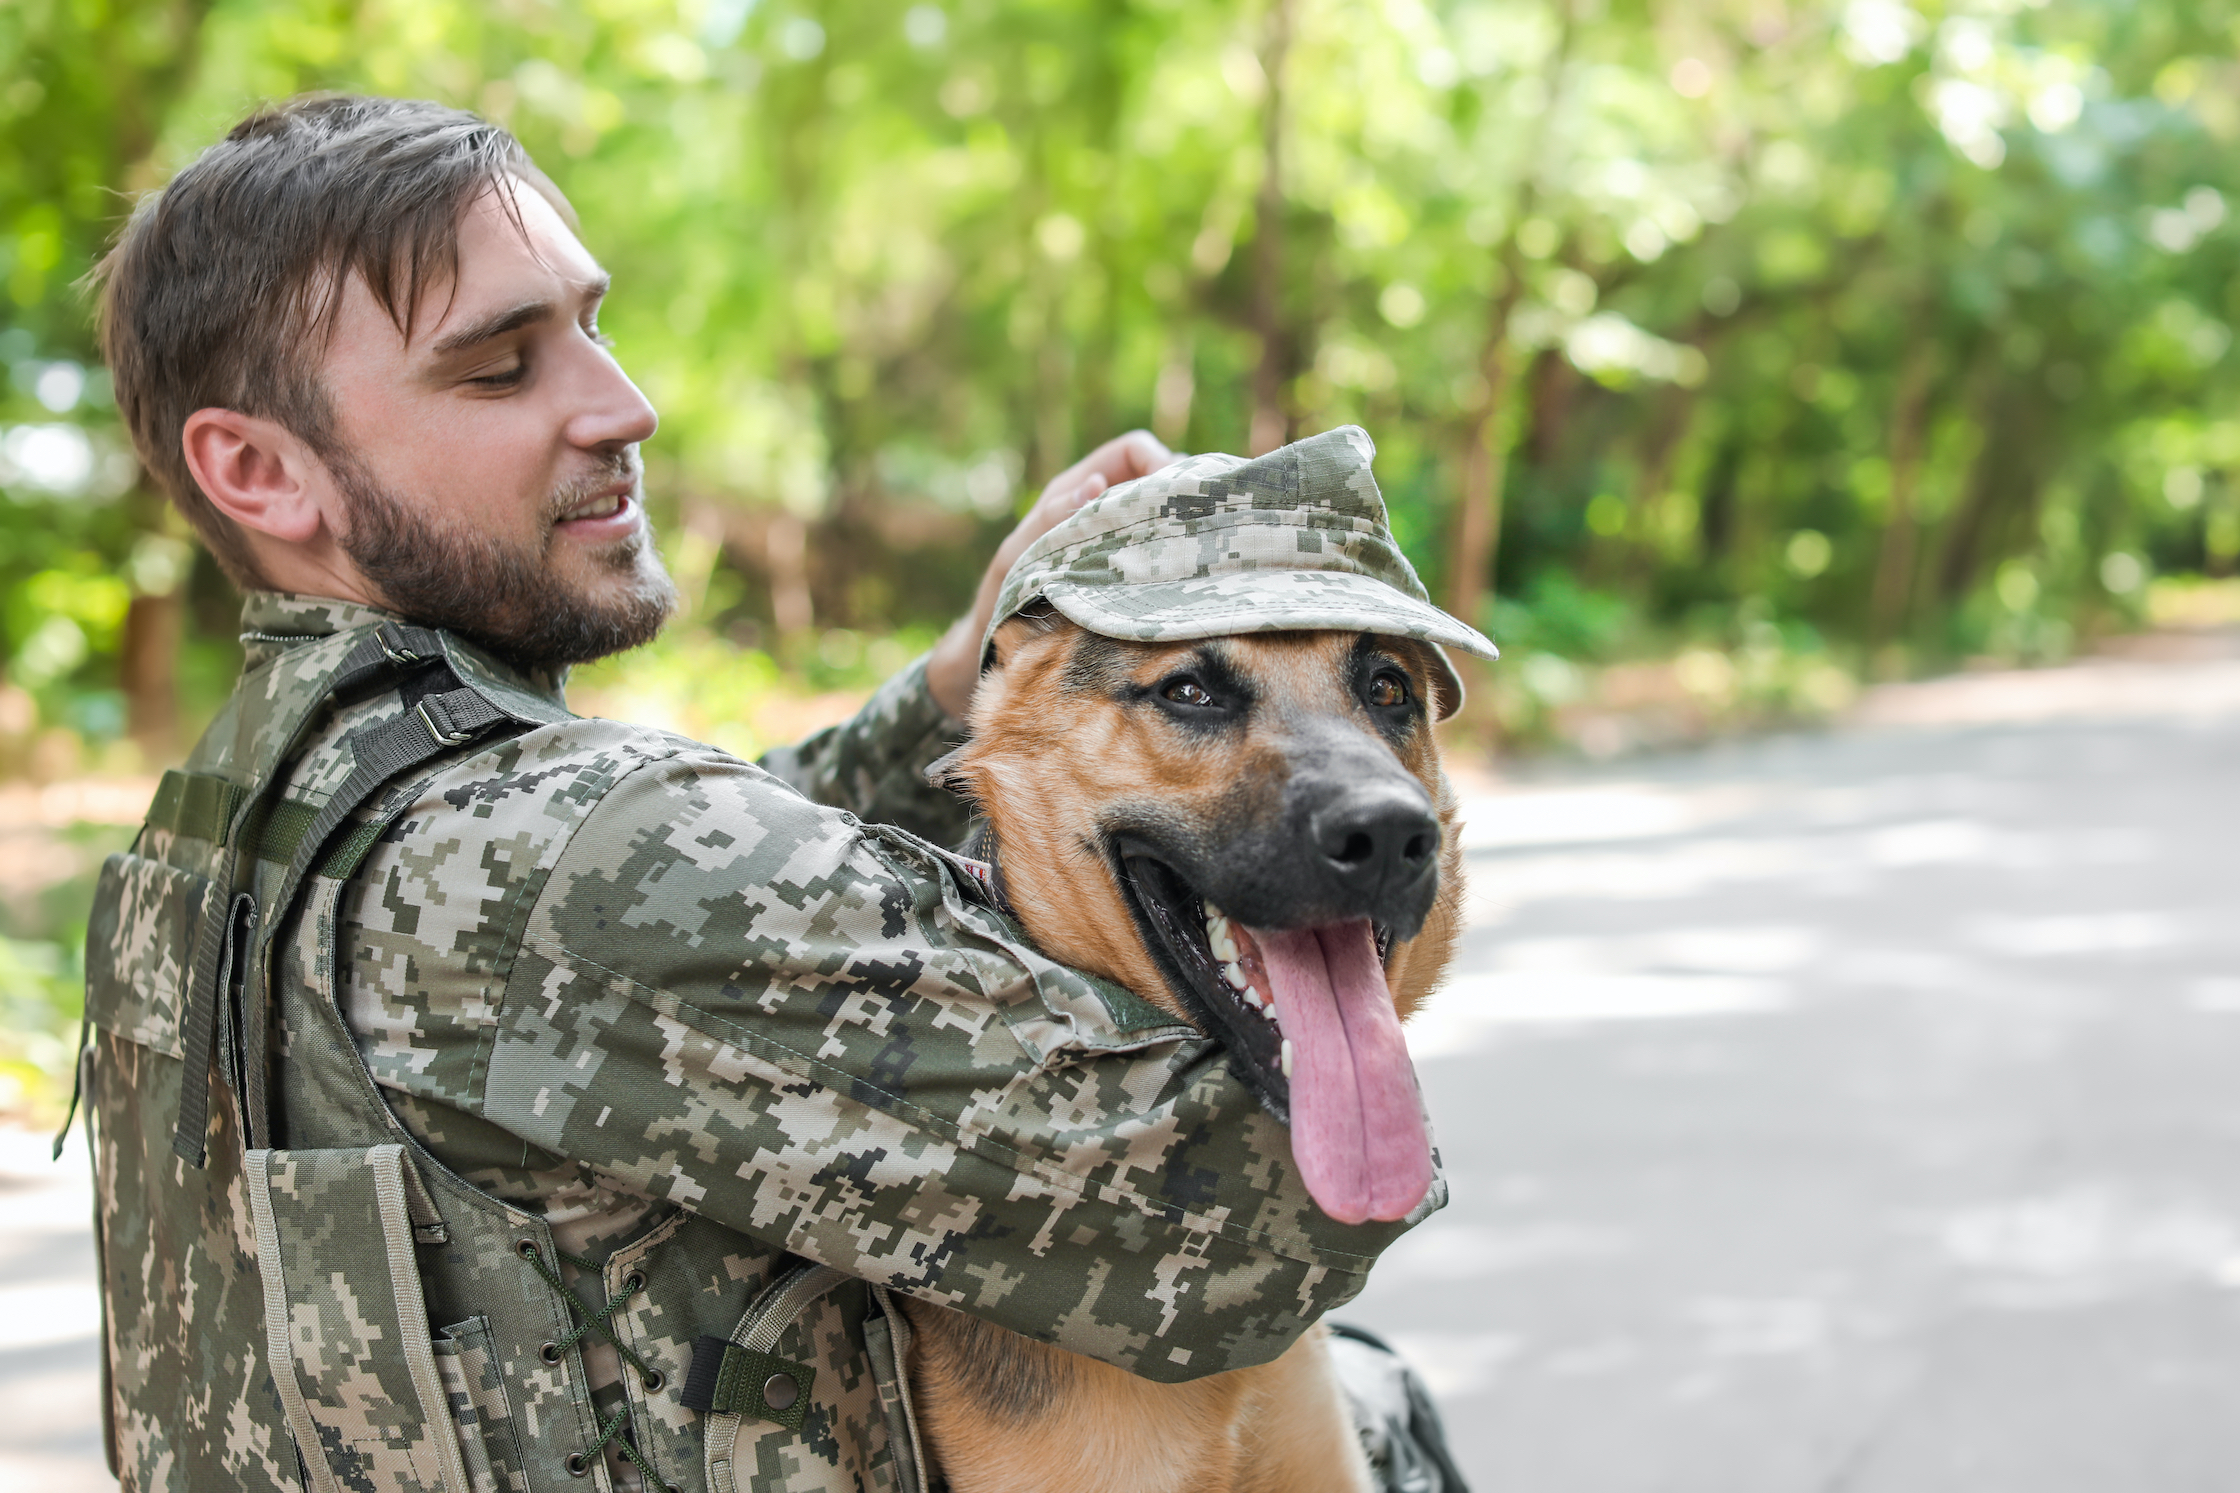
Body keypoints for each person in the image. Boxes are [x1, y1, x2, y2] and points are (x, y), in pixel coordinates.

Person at [75, 95, 1440, 1493]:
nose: (622, 404)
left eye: (590, 324)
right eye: (500, 368)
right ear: (257, 469)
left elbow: (640, 928)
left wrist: (950, 690)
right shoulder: (567, 854)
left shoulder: (245, 810)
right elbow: (1241, 1216)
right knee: (1390, 1408)